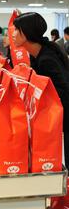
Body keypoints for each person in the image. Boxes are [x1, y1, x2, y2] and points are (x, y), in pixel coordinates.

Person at [12, 12, 69, 168]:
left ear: (28, 32)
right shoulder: (37, 55)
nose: (13, 33)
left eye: (17, 29)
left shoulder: (47, 59)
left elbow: (62, 92)